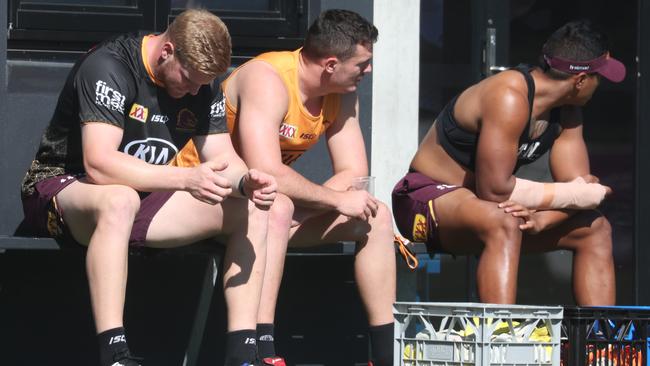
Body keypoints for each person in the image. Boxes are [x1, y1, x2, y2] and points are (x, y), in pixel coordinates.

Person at [20, 9, 277, 366]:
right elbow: (99, 164)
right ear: (167, 50)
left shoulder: (203, 83)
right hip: (61, 186)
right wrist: (187, 179)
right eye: (189, 78)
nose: (194, 90)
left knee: (251, 208)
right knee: (119, 199)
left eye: (204, 83)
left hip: (145, 194)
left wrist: (246, 182)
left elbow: (221, 157)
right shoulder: (109, 66)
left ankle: (243, 355)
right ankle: (115, 353)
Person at [174, 9, 396, 366]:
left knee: (375, 218)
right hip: (204, 199)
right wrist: (336, 199)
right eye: (362, 63)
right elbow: (266, 170)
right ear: (330, 64)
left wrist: (337, 201)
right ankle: (262, 351)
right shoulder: (269, 78)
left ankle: (386, 357)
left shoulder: (342, 91)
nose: (367, 71)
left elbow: (354, 172)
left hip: (265, 207)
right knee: (277, 207)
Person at [392, 20, 624, 305]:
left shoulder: (568, 112)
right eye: (599, 78)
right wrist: (577, 193)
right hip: (423, 201)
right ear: (580, 80)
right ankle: (501, 339)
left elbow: (579, 197)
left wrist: (542, 219)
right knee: (504, 222)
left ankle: (598, 346)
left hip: (488, 212)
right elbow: (496, 190)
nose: (599, 87)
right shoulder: (509, 96)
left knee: (595, 228)